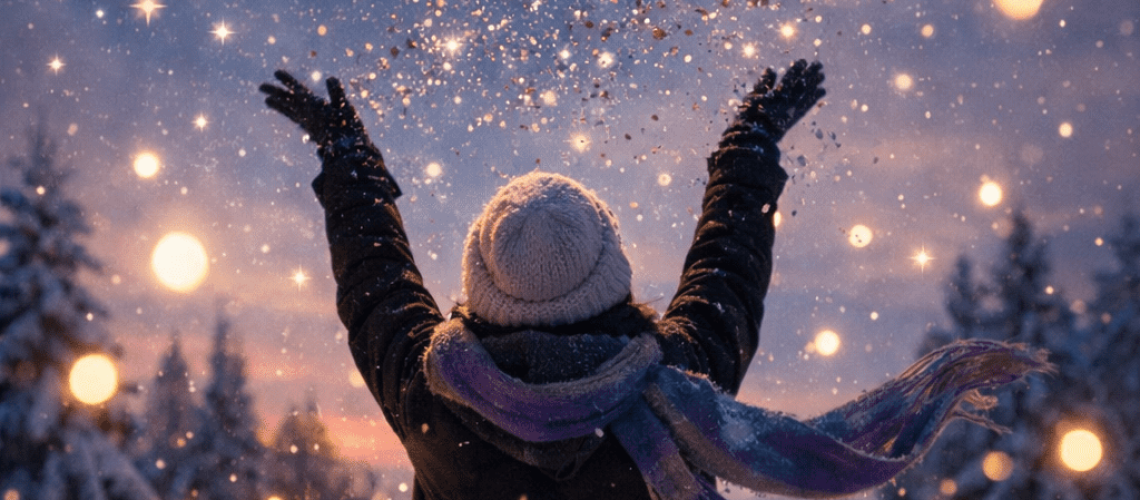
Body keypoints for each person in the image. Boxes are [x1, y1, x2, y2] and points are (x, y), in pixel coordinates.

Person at [261, 60, 1049, 500]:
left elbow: (375, 282)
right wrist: (747, 152)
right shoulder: (676, 385)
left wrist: (348, 160)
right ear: (612, 277)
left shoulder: (433, 393)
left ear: (479, 285)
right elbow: (727, 272)